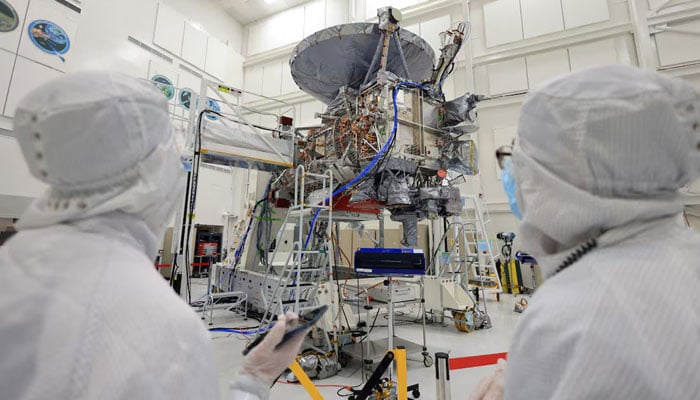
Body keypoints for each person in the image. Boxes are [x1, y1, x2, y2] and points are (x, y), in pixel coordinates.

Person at [0, 71, 308, 400]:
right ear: (152, 172)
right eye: (174, 155)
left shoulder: (12, 263)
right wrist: (254, 380)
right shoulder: (166, 330)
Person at [479, 65, 700, 399]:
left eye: (516, 160)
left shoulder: (570, 316)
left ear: (559, 175)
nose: (511, 176)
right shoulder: (686, 254)